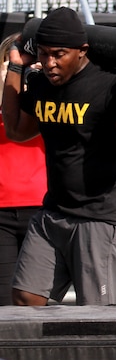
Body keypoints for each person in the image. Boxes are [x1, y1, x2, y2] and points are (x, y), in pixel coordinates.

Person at [1, 7, 116, 305]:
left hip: (102, 219)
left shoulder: (109, 85)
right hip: (54, 213)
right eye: (44, 53)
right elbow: (16, 130)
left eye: (58, 54)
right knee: (25, 299)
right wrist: (15, 67)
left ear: (82, 51)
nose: (49, 63)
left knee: (101, 319)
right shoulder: (42, 85)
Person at [0, 33, 46, 304]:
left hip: (41, 207)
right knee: (4, 302)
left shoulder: (48, 95)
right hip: (2, 209)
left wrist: (37, 83)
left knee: (37, 300)